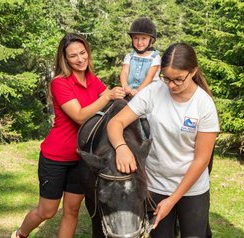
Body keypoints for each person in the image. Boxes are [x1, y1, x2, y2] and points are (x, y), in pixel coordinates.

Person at [11, 33, 126, 238]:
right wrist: (107, 95)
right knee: (47, 210)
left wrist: (120, 95)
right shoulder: (60, 83)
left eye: (83, 53)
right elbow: (80, 116)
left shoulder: (92, 79)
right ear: (65, 58)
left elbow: (108, 105)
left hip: (81, 158)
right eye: (73, 56)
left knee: (72, 210)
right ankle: (20, 234)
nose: (80, 59)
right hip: (56, 157)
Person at [107, 42, 219, 238]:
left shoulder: (204, 105)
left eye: (178, 79)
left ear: (193, 72)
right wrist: (121, 146)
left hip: (192, 190)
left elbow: (201, 160)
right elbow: (115, 122)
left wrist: (173, 199)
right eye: (166, 78)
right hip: (155, 186)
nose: (171, 85)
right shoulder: (153, 92)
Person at [120, 17, 161, 97]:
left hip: (149, 93)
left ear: (151, 40)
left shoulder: (155, 57)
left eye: (144, 38)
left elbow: (150, 76)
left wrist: (138, 90)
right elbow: (124, 72)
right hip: (130, 91)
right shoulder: (129, 56)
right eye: (136, 38)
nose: (139, 42)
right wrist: (125, 86)